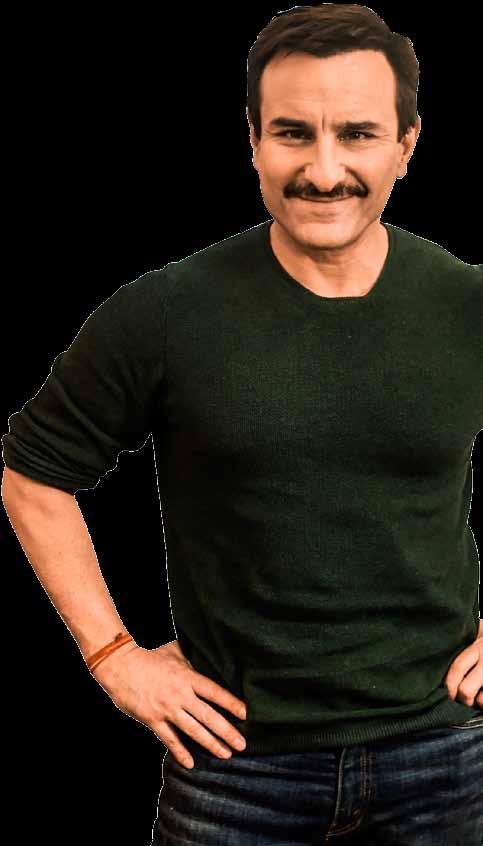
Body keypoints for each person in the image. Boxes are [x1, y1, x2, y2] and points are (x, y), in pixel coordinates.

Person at [2, 4, 482, 843]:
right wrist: (115, 658)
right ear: (253, 140)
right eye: (293, 133)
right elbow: (35, 478)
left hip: (444, 754)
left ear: (406, 146)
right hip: (234, 766)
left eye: (358, 135)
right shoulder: (162, 313)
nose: (323, 171)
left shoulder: (468, 303)